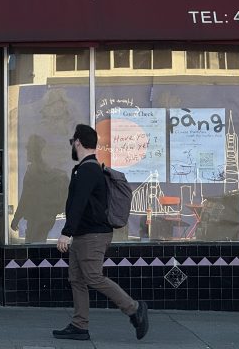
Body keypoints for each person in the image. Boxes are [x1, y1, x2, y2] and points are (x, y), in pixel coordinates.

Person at [53, 123, 149, 342]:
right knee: (76, 278)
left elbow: (79, 203)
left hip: (93, 235)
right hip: (84, 234)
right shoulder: (87, 168)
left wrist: (66, 233)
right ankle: (80, 325)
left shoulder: (89, 169)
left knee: (93, 277)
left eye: (72, 142)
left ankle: (134, 308)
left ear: (77, 142)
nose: (72, 145)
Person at [10, 134, 67, 243]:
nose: (26, 151)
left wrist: (16, 219)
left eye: (28, 149)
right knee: (39, 244)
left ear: (34, 151)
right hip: (47, 217)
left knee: (33, 247)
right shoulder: (49, 171)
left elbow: (25, 197)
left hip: (36, 217)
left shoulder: (33, 172)